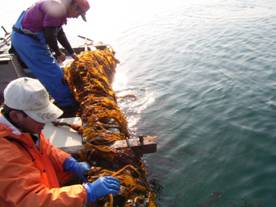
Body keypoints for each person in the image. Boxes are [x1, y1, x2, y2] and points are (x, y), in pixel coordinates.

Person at [0, 77, 120, 206]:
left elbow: (44, 148)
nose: (44, 123)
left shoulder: (23, 128)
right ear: (16, 116)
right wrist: (85, 193)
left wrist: (67, 161)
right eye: (39, 117)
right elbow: (31, 200)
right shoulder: (5, 154)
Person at [11, 0, 90, 110]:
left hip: (26, 35)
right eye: (78, 14)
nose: (77, 17)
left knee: (52, 69)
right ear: (74, 6)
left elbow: (59, 33)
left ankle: (63, 97)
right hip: (27, 40)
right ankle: (67, 104)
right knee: (52, 72)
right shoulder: (57, 8)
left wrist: (71, 52)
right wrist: (58, 53)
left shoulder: (60, 8)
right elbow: (50, 36)